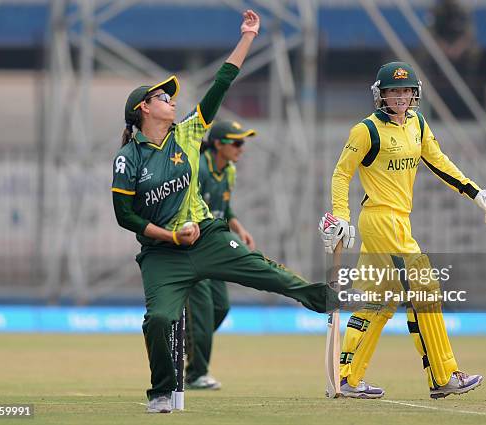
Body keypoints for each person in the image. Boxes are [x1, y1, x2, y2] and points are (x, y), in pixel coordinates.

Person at [112, 10, 336, 413]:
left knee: (269, 273)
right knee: (160, 321)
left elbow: (222, 82)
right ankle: (162, 392)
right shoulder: (128, 159)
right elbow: (124, 216)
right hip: (163, 255)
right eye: (163, 97)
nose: (171, 100)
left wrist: (248, 37)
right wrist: (170, 236)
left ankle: (326, 301)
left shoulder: (189, 132)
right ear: (143, 109)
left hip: (209, 237)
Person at [319, 62, 486, 399]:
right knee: (426, 287)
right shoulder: (367, 131)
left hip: (399, 220)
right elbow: (341, 173)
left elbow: (439, 161)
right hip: (379, 219)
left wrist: (475, 193)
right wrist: (341, 215)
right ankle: (444, 374)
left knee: (380, 301)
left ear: (414, 93)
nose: (400, 97)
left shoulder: (417, 123)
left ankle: (347, 377)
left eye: (405, 91)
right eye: (393, 91)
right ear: (382, 95)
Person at [185, 120, 256, 390]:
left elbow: (224, 209)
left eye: (243, 143)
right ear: (218, 144)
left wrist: (239, 228)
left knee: (220, 307)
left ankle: (185, 344)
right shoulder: (199, 168)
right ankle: (196, 374)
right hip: (193, 249)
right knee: (202, 310)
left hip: (214, 246)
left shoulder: (228, 171)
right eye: (236, 143)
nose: (241, 148)